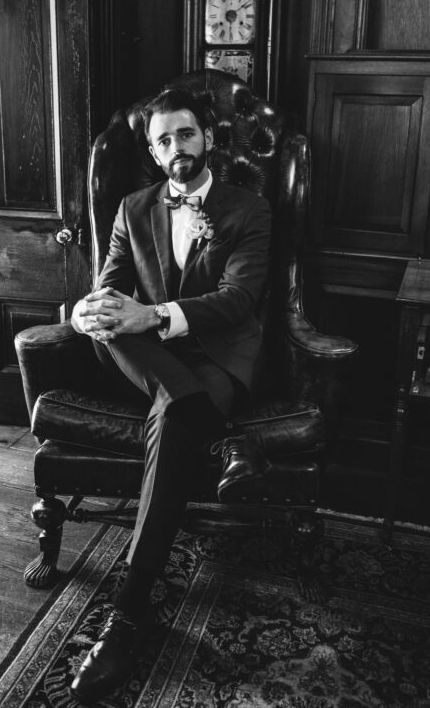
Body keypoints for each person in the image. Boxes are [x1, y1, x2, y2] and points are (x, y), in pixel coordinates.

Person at [69, 88, 272, 704]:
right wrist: (91, 313)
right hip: (141, 356)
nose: (175, 148)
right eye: (162, 140)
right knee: (109, 324)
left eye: (185, 134)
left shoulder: (250, 209)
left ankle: (128, 613)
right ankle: (229, 440)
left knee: (175, 415)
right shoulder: (132, 209)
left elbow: (239, 301)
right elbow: (107, 288)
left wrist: (151, 315)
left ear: (207, 138)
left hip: (214, 359)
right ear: (154, 153)